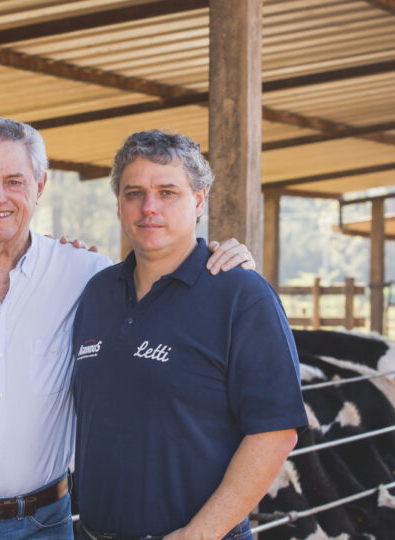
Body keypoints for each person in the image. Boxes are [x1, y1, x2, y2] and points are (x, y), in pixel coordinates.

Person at [0, 117, 254, 540]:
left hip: (43, 523)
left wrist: (227, 258)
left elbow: (164, 273)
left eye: (15, 181)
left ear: (40, 185)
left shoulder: (87, 274)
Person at [70, 130, 308, 540]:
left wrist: (198, 534)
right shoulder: (96, 293)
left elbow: (275, 433)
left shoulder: (242, 295)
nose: (149, 208)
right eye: (134, 193)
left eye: (167, 192)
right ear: (119, 205)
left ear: (199, 201)